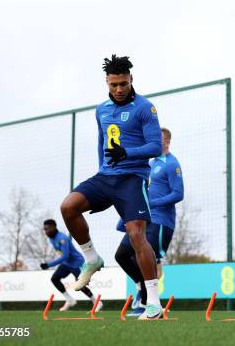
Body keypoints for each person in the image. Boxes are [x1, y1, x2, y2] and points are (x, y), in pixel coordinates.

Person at [59, 54, 164, 319]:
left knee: (137, 236)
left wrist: (127, 153)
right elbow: (101, 140)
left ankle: (153, 302)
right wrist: (101, 168)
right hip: (106, 176)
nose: (118, 89)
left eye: (123, 84)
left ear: (131, 80)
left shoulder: (145, 108)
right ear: (107, 81)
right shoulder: (101, 109)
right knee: (68, 207)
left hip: (132, 178)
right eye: (114, 84)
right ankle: (92, 258)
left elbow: (155, 146)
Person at [115, 127, 184, 316]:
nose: (152, 141)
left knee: (147, 258)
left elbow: (178, 194)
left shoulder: (172, 164)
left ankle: (150, 303)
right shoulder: (150, 164)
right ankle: (142, 290)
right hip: (142, 219)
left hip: (161, 221)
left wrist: (152, 203)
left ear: (167, 141)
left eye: (157, 138)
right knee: (121, 255)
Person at [40, 219, 102, 312]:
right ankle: (69, 300)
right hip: (66, 263)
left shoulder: (63, 238)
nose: (45, 231)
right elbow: (62, 255)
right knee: (55, 279)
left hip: (76, 263)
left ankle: (97, 302)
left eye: (47, 229)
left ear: (53, 227)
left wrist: (49, 264)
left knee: (80, 285)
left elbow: (65, 255)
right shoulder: (51, 238)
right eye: (44, 229)